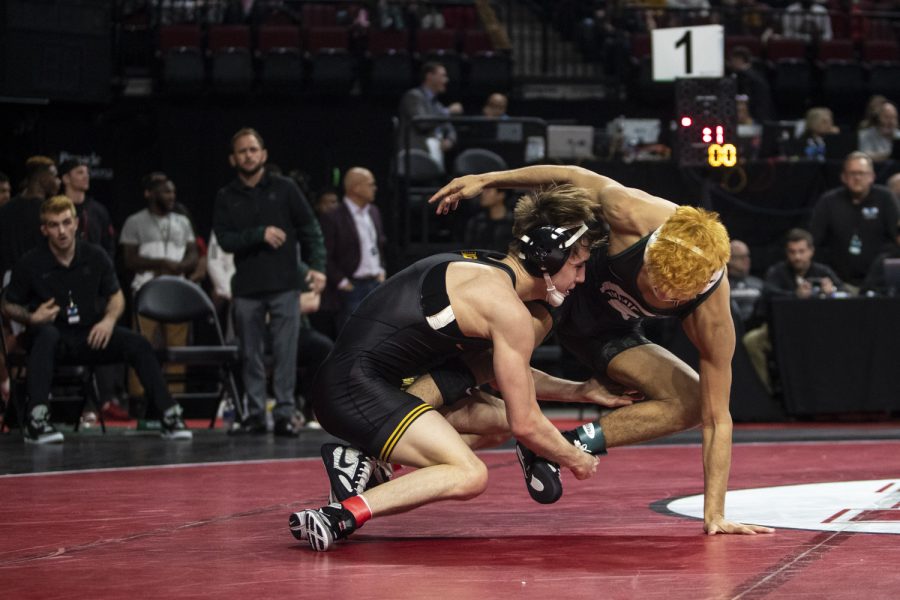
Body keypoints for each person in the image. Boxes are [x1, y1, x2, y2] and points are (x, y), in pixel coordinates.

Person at [429, 165, 774, 536]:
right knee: (487, 365)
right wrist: (489, 180)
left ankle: (562, 445)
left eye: (672, 298)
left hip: (609, 331)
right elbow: (571, 175)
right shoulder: (632, 212)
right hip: (562, 290)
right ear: (651, 250)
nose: (659, 297)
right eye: (654, 284)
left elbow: (718, 419)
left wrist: (715, 513)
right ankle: (398, 419)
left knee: (693, 401)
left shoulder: (712, 312)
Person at [289, 185, 604, 551]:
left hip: (371, 381)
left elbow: (508, 380)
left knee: (498, 424)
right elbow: (527, 422)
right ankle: (339, 516)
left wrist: (580, 391)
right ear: (547, 258)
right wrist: (574, 457)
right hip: (355, 389)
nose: (580, 279)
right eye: (577, 266)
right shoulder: (506, 309)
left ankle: (362, 459)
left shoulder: (485, 267)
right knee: (470, 475)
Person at [0, 196, 192, 443]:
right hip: (50, 337)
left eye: (66, 223)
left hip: (90, 333)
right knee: (45, 335)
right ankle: (37, 420)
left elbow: (116, 296)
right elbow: (7, 304)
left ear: (76, 223)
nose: (61, 231)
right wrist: (31, 316)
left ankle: (168, 414)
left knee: (137, 343)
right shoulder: (30, 262)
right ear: (44, 229)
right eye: (54, 225)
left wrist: (108, 321)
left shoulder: (95, 255)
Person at [213, 127, 326, 437]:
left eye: (253, 150)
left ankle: (285, 414)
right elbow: (224, 240)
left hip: (284, 284)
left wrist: (318, 267)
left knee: (285, 352)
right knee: (249, 353)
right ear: (232, 159)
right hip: (247, 287)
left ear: (263, 154)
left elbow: (310, 227)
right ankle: (254, 414)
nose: (248, 155)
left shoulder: (285, 188)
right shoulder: (226, 196)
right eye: (242, 151)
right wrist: (258, 234)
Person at [121, 176, 199, 399]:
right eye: (166, 192)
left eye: (173, 192)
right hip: (146, 291)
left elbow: (193, 253)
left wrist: (180, 266)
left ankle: (175, 398)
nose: (171, 196)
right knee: (141, 345)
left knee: (178, 349)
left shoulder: (182, 222)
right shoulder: (135, 221)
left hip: (177, 291)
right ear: (150, 194)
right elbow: (128, 259)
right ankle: (138, 398)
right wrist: (161, 264)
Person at [743, 228, 846, 392]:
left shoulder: (823, 272)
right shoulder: (777, 272)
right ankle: (765, 395)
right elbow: (768, 293)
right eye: (792, 252)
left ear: (811, 251)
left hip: (821, 333)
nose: (797, 257)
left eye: (801, 251)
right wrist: (794, 295)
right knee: (751, 341)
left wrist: (831, 291)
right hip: (781, 331)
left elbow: (844, 293)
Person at [809, 152, 898, 290]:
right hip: (839, 283)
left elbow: (897, 238)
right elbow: (814, 242)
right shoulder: (828, 202)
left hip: (880, 284)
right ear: (843, 177)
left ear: (872, 177)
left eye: (862, 173)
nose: (857, 178)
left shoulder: (886, 199)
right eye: (852, 173)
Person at [318, 167, 387, 335]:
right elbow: (325, 254)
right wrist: (342, 282)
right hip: (351, 289)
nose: (375, 188)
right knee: (351, 340)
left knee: (376, 337)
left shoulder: (374, 211)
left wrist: (381, 270)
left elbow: (379, 244)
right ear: (355, 188)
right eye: (370, 184)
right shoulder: (333, 217)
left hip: (376, 284)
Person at [0, 156, 60, 279]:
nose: (58, 181)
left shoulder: (6, 208)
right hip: (38, 279)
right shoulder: (48, 212)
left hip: (9, 280)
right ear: (42, 178)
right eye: (54, 175)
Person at [397, 61, 463, 170]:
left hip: (435, 154)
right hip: (415, 154)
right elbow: (422, 123)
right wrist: (448, 111)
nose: (446, 80)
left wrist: (450, 140)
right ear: (429, 76)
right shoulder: (413, 96)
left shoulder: (438, 105)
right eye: (443, 76)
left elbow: (450, 128)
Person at [59, 159, 117, 259]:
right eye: (80, 172)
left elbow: (109, 245)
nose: (86, 176)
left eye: (87, 173)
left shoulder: (98, 210)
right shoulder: (55, 209)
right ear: (66, 178)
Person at [726, 46, 773, 123]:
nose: (730, 63)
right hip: (765, 116)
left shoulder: (744, 76)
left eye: (732, 60)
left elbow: (745, 100)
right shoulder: (758, 72)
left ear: (739, 60)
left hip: (756, 118)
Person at [462, 187, 514, 253]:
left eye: (488, 191)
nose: (483, 194)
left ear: (501, 195)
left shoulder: (515, 223)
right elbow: (468, 250)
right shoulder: (476, 222)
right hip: (479, 262)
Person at [727, 239, 764, 329]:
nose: (746, 260)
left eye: (747, 256)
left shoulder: (759, 283)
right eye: (741, 257)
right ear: (729, 259)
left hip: (757, 327)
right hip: (732, 328)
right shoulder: (723, 285)